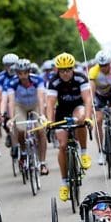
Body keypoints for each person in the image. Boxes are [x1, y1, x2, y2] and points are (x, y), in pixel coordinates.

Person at [46, 52, 93, 202]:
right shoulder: (53, 82)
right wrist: (49, 121)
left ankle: (84, 152)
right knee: (63, 146)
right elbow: (50, 103)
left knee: (81, 118)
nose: (65, 73)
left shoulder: (81, 78)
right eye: (62, 70)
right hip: (62, 112)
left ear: (73, 68)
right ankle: (65, 183)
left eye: (68, 69)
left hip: (77, 108)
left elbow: (87, 99)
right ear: (57, 70)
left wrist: (88, 118)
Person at [5, 58, 49, 175]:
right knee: (20, 129)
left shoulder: (38, 80)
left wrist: (42, 115)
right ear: (16, 73)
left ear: (29, 71)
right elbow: (11, 102)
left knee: (40, 130)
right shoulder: (12, 83)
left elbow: (40, 98)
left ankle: (42, 163)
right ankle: (23, 152)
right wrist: (11, 118)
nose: (23, 75)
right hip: (21, 106)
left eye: (25, 72)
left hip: (35, 105)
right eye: (20, 73)